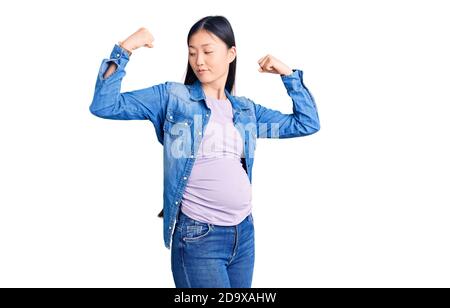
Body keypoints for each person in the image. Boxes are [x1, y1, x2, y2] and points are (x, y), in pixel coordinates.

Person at [89, 15, 320, 288]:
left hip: (243, 233)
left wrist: (288, 74)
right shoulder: (172, 98)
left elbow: (306, 123)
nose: (199, 60)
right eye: (192, 52)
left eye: (208, 51)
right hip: (199, 236)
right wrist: (126, 48)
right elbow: (105, 105)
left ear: (231, 54)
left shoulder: (246, 111)